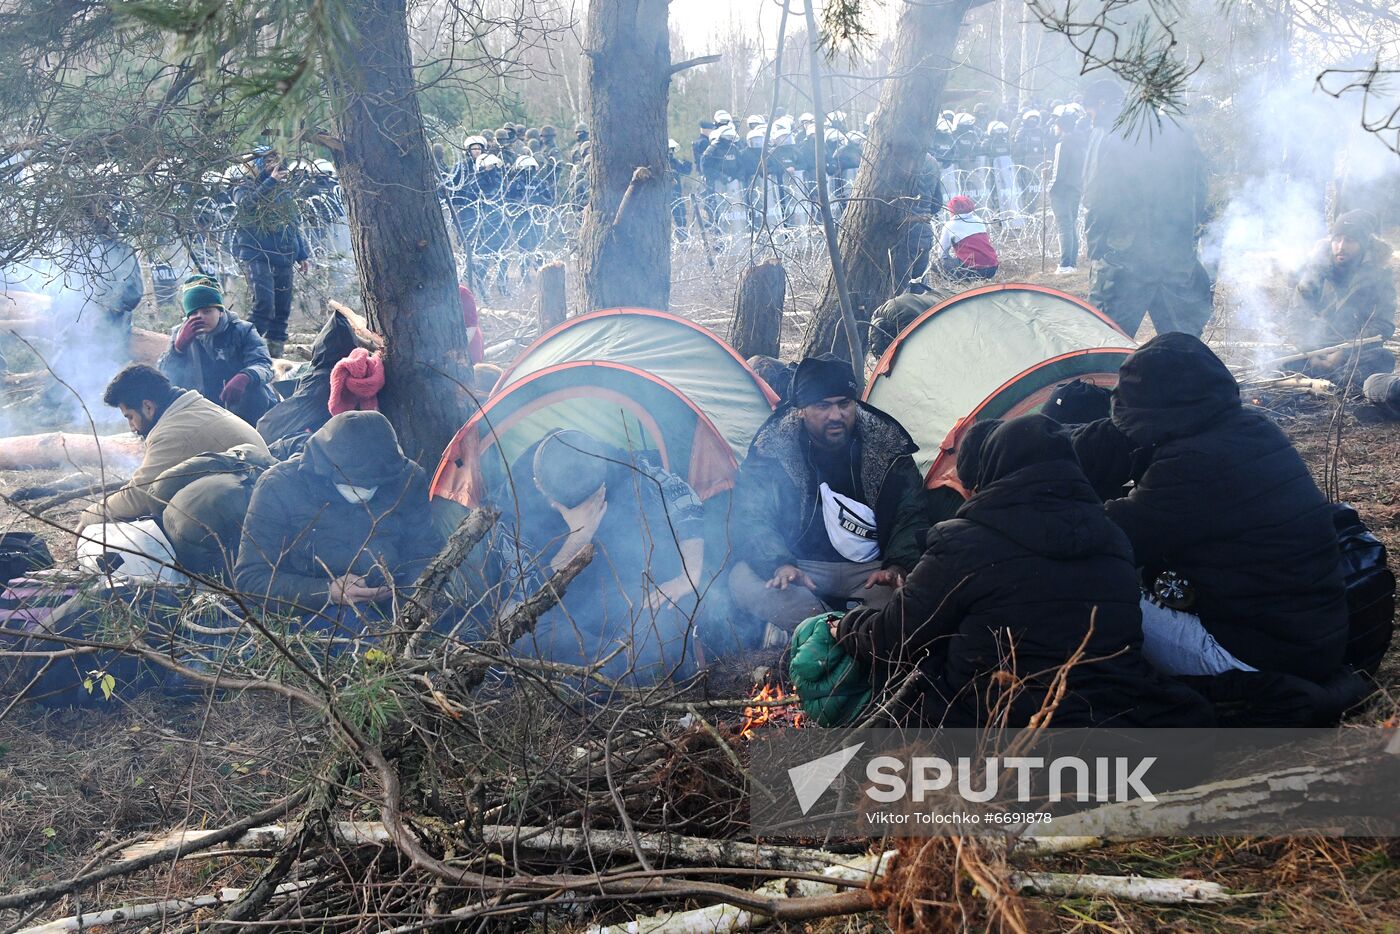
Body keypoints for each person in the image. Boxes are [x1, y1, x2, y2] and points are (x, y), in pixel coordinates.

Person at [835, 415, 1215, 728]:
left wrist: (846, 627)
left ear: (992, 470)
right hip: (1105, 717)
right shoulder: (1113, 538)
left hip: (997, 725)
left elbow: (896, 638)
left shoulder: (964, 543)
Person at [1073, 333, 1349, 685]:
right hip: (1313, 638)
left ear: (1155, 411)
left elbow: (1107, 540)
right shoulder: (1254, 428)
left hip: (1253, 656)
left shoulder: (1191, 464)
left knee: (1087, 581)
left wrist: (1066, 493)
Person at [729, 355, 926, 646]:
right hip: (800, 569)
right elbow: (751, 515)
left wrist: (898, 566)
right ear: (801, 410)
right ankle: (849, 630)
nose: (836, 415)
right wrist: (779, 563)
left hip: (871, 573)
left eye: (844, 404)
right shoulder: (772, 449)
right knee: (741, 579)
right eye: (823, 406)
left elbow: (911, 515)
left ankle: (818, 631)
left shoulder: (887, 448)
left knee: (915, 593)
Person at [500, 429, 707, 682]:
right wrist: (578, 535)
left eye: (594, 496)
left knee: (669, 616)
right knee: (514, 629)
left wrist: (690, 574)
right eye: (579, 503)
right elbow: (525, 598)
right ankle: (617, 669)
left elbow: (684, 498)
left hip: (618, 592)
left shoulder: (614, 462)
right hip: (558, 615)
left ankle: (612, 672)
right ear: (541, 488)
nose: (591, 505)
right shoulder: (514, 507)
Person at [234, 411, 443, 619]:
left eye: (374, 484)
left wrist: (410, 594)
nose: (366, 491)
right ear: (327, 470)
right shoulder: (277, 486)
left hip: (394, 600)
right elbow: (251, 579)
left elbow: (424, 550)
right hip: (316, 609)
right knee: (355, 628)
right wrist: (327, 592)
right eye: (355, 484)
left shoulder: (407, 478)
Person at [1081, 80, 1213, 338]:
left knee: (1106, 343)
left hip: (1124, 258)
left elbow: (1096, 196)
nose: (1091, 121)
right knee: (1184, 345)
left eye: (1090, 114)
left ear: (1101, 103)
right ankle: (1185, 379)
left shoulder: (1108, 132)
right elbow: (1200, 188)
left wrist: (1097, 248)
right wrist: (1189, 236)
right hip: (1175, 254)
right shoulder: (1180, 131)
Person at [79, 364, 268, 530]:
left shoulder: (174, 433)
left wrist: (88, 515)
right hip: (251, 502)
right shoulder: (192, 408)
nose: (132, 427)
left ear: (148, 407)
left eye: (129, 417)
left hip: (252, 520)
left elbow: (138, 499)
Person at [1290, 209, 1396, 388]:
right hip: (1313, 353)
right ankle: (1332, 383)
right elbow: (1296, 316)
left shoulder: (1380, 276)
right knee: (1276, 360)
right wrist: (1310, 351)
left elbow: (1383, 325)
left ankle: (1334, 384)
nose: (1341, 246)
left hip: (1354, 357)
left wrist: (1346, 351)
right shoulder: (1315, 270)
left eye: (1350, 240)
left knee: (1383, 358)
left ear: (1363, 244)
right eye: (1337, 239)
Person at [158, 274, 278, 426]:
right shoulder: (179, 334)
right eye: (194, 313)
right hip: (202, 408)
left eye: (207, 311)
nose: (200, 317)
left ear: (220, 311)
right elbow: (165, 377)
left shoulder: (243, 330)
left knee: (256, 394)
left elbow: (264, 365)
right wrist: (178, 349)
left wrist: (246, 376)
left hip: (242, 405)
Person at [230, 147, 309, 358]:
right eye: (266, 161)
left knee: (282, 310)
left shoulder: (283, 190)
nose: (272, 164)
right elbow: (246, 206)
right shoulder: (244, 186)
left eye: (275, 159)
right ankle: (243, 350)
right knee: (264, 305)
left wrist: (302, 253)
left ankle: (275, 358)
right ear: (254, 165)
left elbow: (292, 220)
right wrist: (270, 181)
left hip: (283, 254)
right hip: (257, 252)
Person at [1049, 109, 1088, 274]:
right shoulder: (1080, 142)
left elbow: (1058, 173)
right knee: (1070, 225)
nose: (1054, 128)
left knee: (1064, 226)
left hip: (1062, 191)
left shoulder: (1062, 144)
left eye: (1056, 125)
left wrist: (1050, 188)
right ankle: (1071, 263)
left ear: (1061, 127)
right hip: (1076, 187)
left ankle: (1065, 265)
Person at [936, 196, 999, 280]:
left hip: (973, 271)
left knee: (939, 264)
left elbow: (941, 253)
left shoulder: (950, 225)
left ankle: (957, 284)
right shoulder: (978, 220)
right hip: (993, 267)